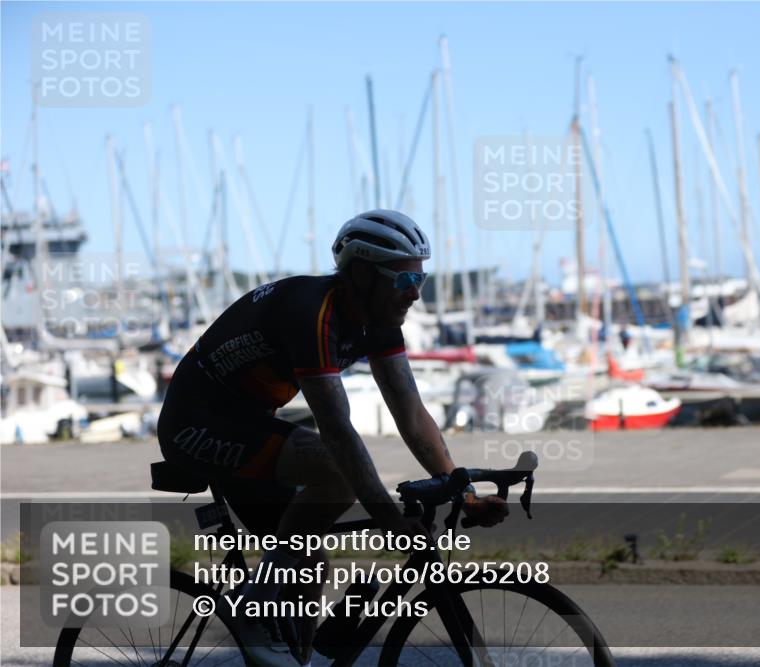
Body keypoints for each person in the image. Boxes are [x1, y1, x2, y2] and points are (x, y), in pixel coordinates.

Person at [157, 209, 508, 666]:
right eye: (405, 280)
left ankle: (293, 655)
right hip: (195, 425)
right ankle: (254, 602)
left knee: (308, 565)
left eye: (420, 278)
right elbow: (337, 430)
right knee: (334, 473)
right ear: (361, 274)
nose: (416, 293)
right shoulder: (312, 313)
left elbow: (410, 411)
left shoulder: (380, 318)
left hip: (246, 425)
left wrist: (463, 489)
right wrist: (389, 519)